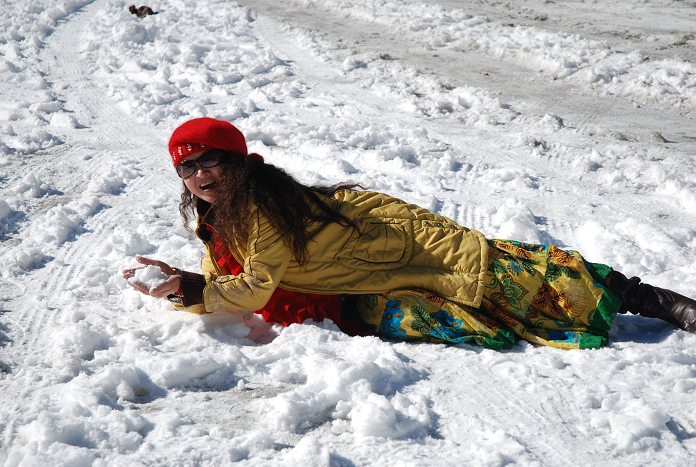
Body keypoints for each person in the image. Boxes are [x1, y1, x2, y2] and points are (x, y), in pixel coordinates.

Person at [123, 118, 696, 350]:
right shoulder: (218, 214)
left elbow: (248, 290)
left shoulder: (264, 208)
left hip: (404, 244)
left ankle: (659, 301)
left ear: (239, 162)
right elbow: (237, 279)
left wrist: (185, 292)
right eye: (187, 169)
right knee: (456, 307)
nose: (200, 177)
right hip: (369, 265)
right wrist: (183, 281)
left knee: (519, 275)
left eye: (210, 162)